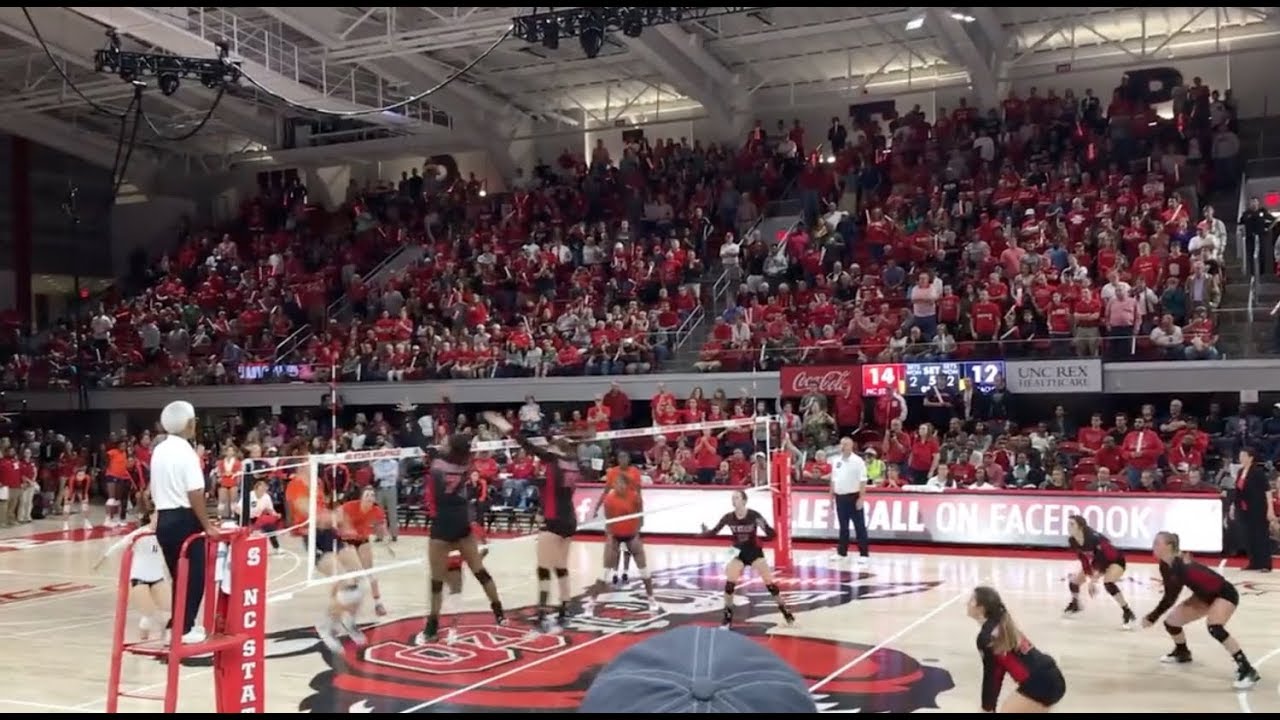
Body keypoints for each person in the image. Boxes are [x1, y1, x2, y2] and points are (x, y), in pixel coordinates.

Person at [486, 410, 580, 633]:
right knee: (561, 566)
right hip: (570, 519)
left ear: (556, 449)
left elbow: (528, 446)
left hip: (554, 519)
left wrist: (507, 428)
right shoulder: (573, 463)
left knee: (543, 568)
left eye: (550, 447)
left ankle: (542, 609)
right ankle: (565, 606)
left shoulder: (553, 460)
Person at [417, 432, 506, 645]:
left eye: (446, 442)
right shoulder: (466, 464)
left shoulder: (438, 464)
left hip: (443, 524)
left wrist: (410, 418)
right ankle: (499, 612)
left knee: (436, 580)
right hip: (462, 523)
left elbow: (424, 446)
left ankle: (432, 627)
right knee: (480, 571)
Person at [1142, 530, 1260, 689]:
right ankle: (1182, 653)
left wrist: (1153, 616)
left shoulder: (1180, 566)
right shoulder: (1165, 565)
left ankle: (1247, 670)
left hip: (1224, 593)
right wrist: (1154, 616)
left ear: (1169, 546)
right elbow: (1170, 594)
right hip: (1204, 595)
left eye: (1157, 543)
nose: (1153, 546)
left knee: (1215, 627)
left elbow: (1172, 596)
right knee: (1171, 623)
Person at [284, 440, 368, 650]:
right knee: (342, 580)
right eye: (309, 458)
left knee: (360, 578)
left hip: (330, 534)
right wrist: (333, 517)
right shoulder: (295, 486)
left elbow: (331, 511)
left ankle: (349, 620)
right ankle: (326, 626)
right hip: (313, 538)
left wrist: (344, 521)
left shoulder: (318, 482)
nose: (314, 461)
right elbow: (312, 515)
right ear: (302, 462)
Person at [150, 401, 219, 644]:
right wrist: (207, 525)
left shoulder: (159, 449)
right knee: (194, 576)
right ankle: (185, 628)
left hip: (164, 518)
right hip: (184, 519)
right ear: (189, 424)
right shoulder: (186, 452)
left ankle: (176, 625)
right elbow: (195, 492)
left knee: (178, 576)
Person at [700, 489, 794, 630]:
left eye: (737, 497)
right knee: (729, 584)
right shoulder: (728, 517)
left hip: (754, 552)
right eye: (733, 498)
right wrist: (703, 533)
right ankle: (727, 616)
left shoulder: (754, 516)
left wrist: (762, 538)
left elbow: (771, 533)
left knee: (770, 585)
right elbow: (714, 531)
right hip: (737, 551)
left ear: (744, 500)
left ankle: (785, 611)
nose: (734, 500)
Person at [969, 585, 1066, 713]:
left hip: (1039, 683)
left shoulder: (987, 637)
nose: (967, 604)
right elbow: (998, 671)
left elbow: (991, 675)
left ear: (981, 608)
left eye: (971, 600)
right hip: (1051, 678)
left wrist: (987, 707)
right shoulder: (1003, 624)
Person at [94, 493, 170, 641]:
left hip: (158, 577)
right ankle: (143, 645)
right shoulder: (140, 534)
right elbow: (119, 545)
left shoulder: (165, 534)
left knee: (168, 613)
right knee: (149, 615)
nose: (159, 519)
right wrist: (101, 561)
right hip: (139, 578)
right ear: (151, 516)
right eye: (157, 515)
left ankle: (165, 644)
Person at [588, 451, 657, 612]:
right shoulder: (609, 500)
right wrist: (610, 537)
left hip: (631, 534)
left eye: (620, 484)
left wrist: (638, 526)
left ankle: (651, 598)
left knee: (644, 569)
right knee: (605, 570)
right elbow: (609, 524)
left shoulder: (635, 496)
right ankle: (592, 601)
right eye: (615, 484)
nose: (617, 486)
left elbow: (640, 511)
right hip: (615, 534)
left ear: (625, 485)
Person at [1064, 514, 1137, 628]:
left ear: (1081, 527)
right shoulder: (1072, 540)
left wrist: (1093, 580)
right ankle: (1075, 604)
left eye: (1072, 524)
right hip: (1098, 561)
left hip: (1115, 560)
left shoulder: (1094, 538)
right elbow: (1084, 560)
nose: (1068, 526)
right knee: (1074, 582)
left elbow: (1105, 559)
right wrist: (1088, 576)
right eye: (1068, 524)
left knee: (1108, 582)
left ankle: (1127, 611)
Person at [339, 485, 391, 617]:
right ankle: (350, 603)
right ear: (361, 497)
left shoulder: (377, 510)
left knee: (370, 573)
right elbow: (336, 518)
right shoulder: (349, 506)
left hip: (362, 540)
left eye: (372, 495)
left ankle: (378, 603)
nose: (370, 497)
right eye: (367, 495)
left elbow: (381, 526)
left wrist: (386, 540)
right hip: (347, 541)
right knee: (353, 574)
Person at [1232, 446, 1275, 572]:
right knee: (1248, 536)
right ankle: (1254, 562)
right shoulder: (1240, 472)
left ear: (1250, 458)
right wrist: (1234, 506)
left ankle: (1265, 564)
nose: (1241, 458)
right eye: (1240, 455)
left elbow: (1267, 491)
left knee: (1261, 536)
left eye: (1243, 456)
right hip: (1244, 509)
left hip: (1258, 508)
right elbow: (1238, 491)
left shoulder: (1257, 472)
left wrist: (1270, 510)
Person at [829, 436, 870, 564]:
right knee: (843, 526)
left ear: (851, 446)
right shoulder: (836, 461)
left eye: (845, 444)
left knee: (859, 527)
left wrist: (861, 498)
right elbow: (834, 479)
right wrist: (831, 495)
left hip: (854, 496)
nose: (842, 446)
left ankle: (864, 554)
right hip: (840, 497)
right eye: (841, 444)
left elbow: (863, 480)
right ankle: (842, 552)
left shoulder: (858, 461)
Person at [215, 445, 243, 520]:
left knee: (233, 501)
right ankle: (219, 516)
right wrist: (223, 474)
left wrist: (233, 474)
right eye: (228, 451)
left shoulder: (237, 463)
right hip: (224, 482)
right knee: (222, 500)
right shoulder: (220, 462)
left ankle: (234, 515)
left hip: (233, 482)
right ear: (226, 452)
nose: (230, 452)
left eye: (231, 451)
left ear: (234, 452)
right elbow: (217, 472)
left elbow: (240, 472)